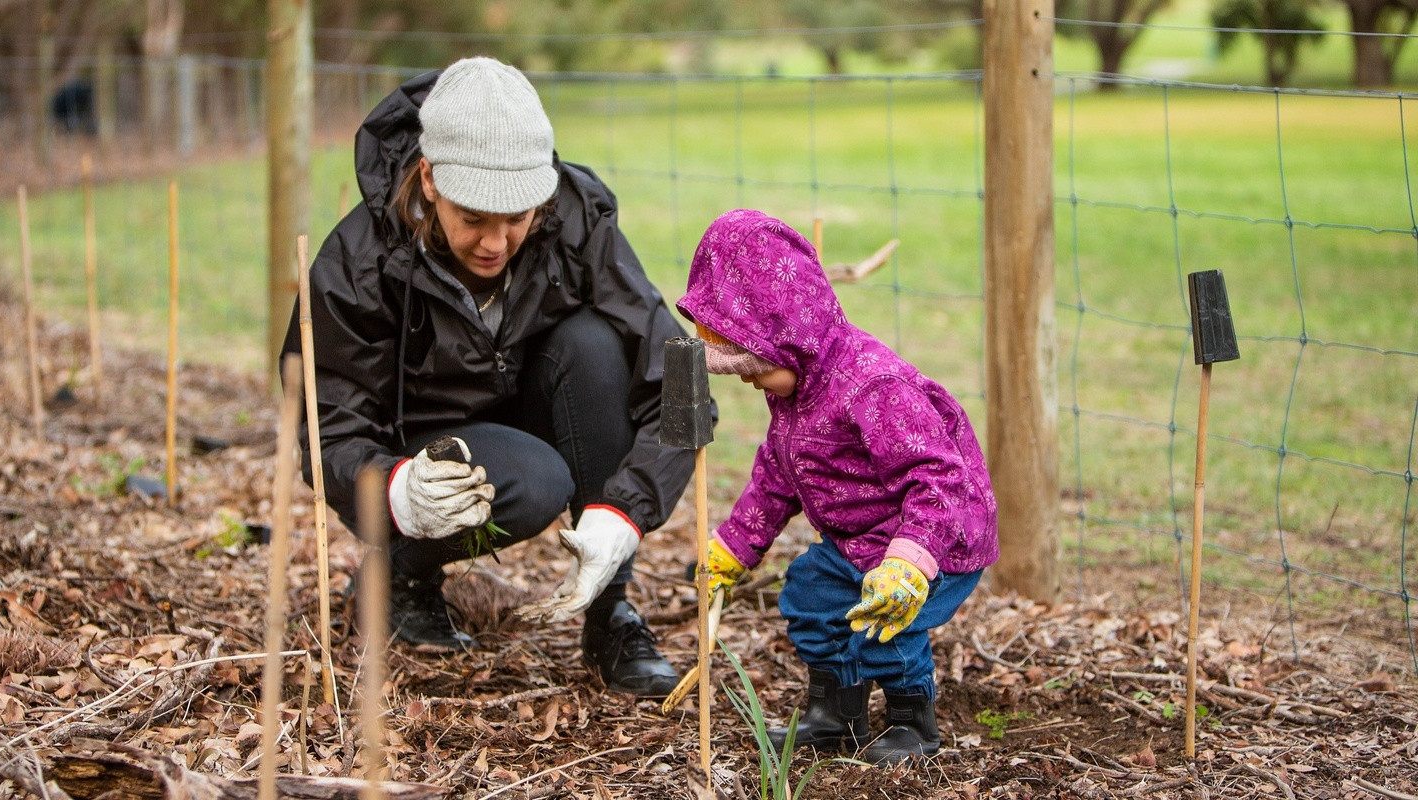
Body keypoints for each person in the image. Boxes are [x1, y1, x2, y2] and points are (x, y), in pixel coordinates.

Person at [279, 56, 704, 697]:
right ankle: (401, 572)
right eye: (473, 217)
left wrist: (627, 509)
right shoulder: (357, 263)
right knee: (535, 482)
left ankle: (608, 607)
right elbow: (326, 429)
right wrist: (396, 492)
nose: (496, 242)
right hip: (426, 449)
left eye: (516, 217)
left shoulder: (576, 217)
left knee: (593, 343)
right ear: (429, 180)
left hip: (531, 407)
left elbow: (680, 374)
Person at [677, 209, 999, 764]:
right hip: (858, 541)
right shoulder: (794, 396)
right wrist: (732, 548)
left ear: (792, 339)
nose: (750, 379)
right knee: (811, 595)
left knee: (887, 624)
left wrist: (910, 561)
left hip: (934, 539)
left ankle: (912, 721)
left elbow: (938, 477)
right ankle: (836, 715)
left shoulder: (873, 387)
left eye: (755, 365)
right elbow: (777, 477)